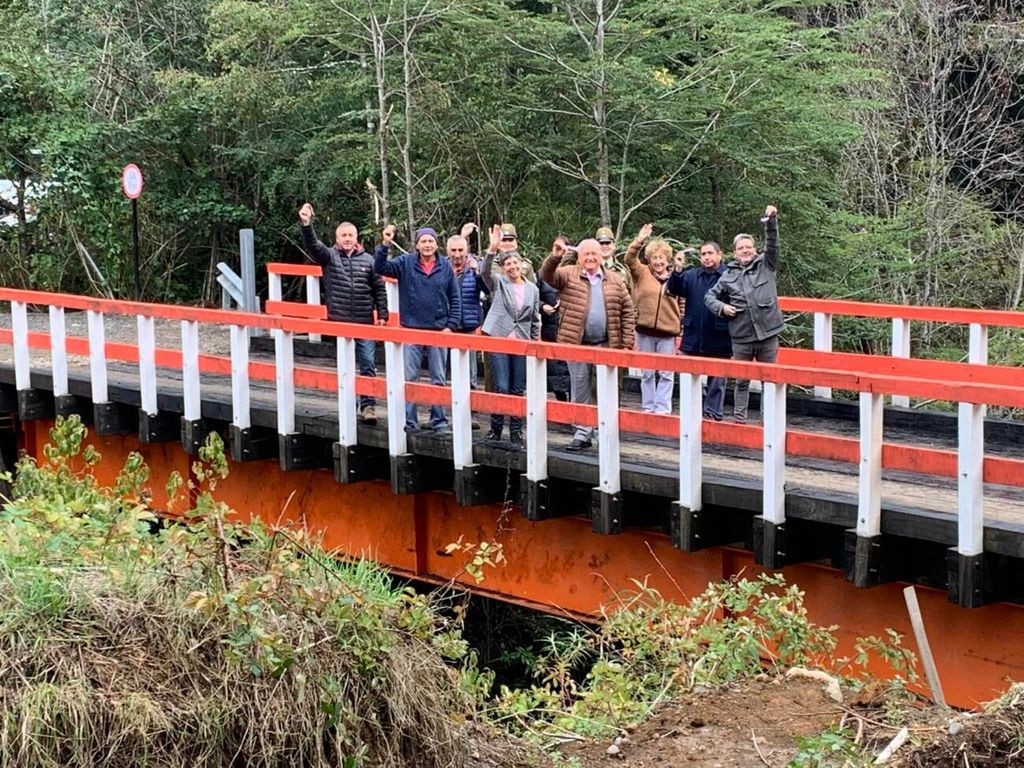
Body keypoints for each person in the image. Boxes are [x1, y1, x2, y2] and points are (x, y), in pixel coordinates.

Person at [540, 237, 635, 452]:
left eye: (594, 254)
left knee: (604, 390)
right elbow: (547, 276)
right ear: (579, 257)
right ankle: (582, 433)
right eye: (586, 254)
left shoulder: (615, 279)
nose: (590, 258)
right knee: (580, 388)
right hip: (577, 344)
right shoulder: (567, 273)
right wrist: (555, 256)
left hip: (606, 344)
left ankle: (604, 433)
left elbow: (628, 311)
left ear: (601, 256)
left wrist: (627, 343)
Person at [298, 203, 388, 423]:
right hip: (339, 322)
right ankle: (347, 405)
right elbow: (313, 245)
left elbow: (379, 288)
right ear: (337, 238)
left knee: (368, 364)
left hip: (364, 321)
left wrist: (383, 314)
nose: (347, 238)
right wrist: (307, 224)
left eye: (350, 235)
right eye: (343, 235)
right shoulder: (329, 256)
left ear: (356, 237)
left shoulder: (369, 260)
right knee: (344, 367)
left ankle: (368, 407)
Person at [374, 224, 461, 433]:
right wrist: (385, 243)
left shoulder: (445, 266)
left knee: (438, 378)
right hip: (411, 330)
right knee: (410, 377)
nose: (427, 245)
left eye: (431, 241)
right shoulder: (405, 263)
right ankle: (410, 421)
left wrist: (451, 326)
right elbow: (380, 268)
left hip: (438, 330)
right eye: (423, 241)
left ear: (436, 244)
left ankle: (438, 420)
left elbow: (455, 297)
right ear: (417, 244)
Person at [705, 205, 782, 422]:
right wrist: (722, 308)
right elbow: (709, 297)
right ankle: (740, 420)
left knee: (770, 380)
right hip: (741, 336)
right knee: (741, 381)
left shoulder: (767, 264)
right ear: (735, 252)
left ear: (755, 249)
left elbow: (773, 243)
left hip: (768, 333)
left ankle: (770, 421)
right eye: (741, 248)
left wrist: (771, 221)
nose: (746, 250)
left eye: (749, 247)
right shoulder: (728, 275)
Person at [480, 225, 541, 447]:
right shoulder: (499, 283)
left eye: (515, 263)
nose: (513, 266)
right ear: (504, 268)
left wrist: (535, 342)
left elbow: (534, 318)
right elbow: (484, 271)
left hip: (522, 341)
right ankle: (496, 428)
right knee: (502, 386)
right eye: (508, 264)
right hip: (499, 337)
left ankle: (516, 430)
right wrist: (492, 249)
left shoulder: (533, 289)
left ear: (522, 265)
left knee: (517, 388)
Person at [667, 241, 732, 420]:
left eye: (710, 253)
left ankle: (713, 414)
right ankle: (692, 412)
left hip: (719, 335)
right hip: (693, 335)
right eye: (703, 254)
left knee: (717, 381)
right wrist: (677, 270)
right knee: (689, 378)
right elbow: (674, 288)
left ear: (720, 255)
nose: (707, 257)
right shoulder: (692, 275)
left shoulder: (730, 275)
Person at [624, 224, 682, 414]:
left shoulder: (677, 276)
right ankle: (648, 407)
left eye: (662, 257)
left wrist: (681, 325)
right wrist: (639, 240)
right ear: (649, 259)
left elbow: (683, 303)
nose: (658, 261)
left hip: (668, 332)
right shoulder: (641, 272)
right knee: (647, 373)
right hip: (644, 330)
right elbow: (629, 258)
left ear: (668, 259)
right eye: (655, 257)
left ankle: (663, 409)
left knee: (666, 373)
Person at [447, 234, 487, 389]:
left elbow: (487, 290)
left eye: (460, 250)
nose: (457, 254)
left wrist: (477, 273)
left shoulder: (475, 267)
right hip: (448, 325)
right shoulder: (442, 268)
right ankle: (452, 397)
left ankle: (471, 396)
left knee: (471, 367)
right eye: (454, 250)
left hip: (469, 323)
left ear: (467, 250)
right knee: (450, 364)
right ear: (448, 251)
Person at [538, 234, 573, 402]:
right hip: (550, 325)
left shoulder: (576, 270)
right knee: (554, 368)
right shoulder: (544, 271)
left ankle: (574, 404)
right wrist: (542, 305)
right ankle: (561, 400)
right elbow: (532, 294)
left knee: (572, 367)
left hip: (570, 325)